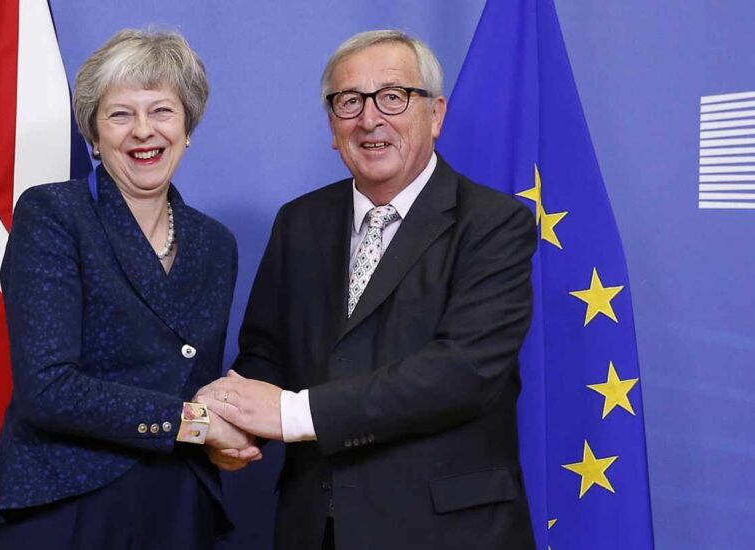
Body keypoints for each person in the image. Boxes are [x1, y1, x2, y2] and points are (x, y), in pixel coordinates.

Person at [198, 30, 537, 549]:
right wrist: (228, 420)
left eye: (393, 97)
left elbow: (462, 371)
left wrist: (291, 414)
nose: (369, 118)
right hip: (317, 527)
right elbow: (267, 354)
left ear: (436, 114)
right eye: (349, 101)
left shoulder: (494, 223)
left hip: (448, 532)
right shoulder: (300, 222)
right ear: (332, 127)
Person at [0, 28, 259, 549]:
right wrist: (195, 424)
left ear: (188, 126)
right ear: (94, 134)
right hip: (65, 501)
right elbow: (49, 390)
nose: (143, 132)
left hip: (178, 501)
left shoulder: (215, 243)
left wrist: (231, 425)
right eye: (121, 114)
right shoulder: (53, 214)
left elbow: (196, 379)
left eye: (162, 111)